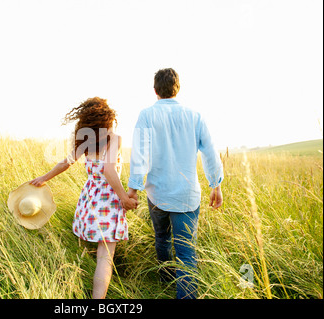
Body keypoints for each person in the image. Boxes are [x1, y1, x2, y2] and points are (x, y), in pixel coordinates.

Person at [127, 68, 224, 299]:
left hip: (157, 195)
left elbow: (139, 155)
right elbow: (210, 152)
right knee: (186, 252)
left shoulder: (146, 115)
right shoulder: (195, 116)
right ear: (177, 88)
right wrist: (215, 185)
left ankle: (166, 279)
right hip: (186, 196)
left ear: (155, 91)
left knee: (161, 238)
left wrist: (132, 190)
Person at [30, 97, 138, 299]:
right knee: (105, 258)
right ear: (107, 119)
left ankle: (73, 287)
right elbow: (108, 170)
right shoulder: (114, 139)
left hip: (88, 201)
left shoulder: (86, 142)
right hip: (108, 202)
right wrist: (123, 197)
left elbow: (65, 163)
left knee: (82, 250)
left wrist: (44, 178)